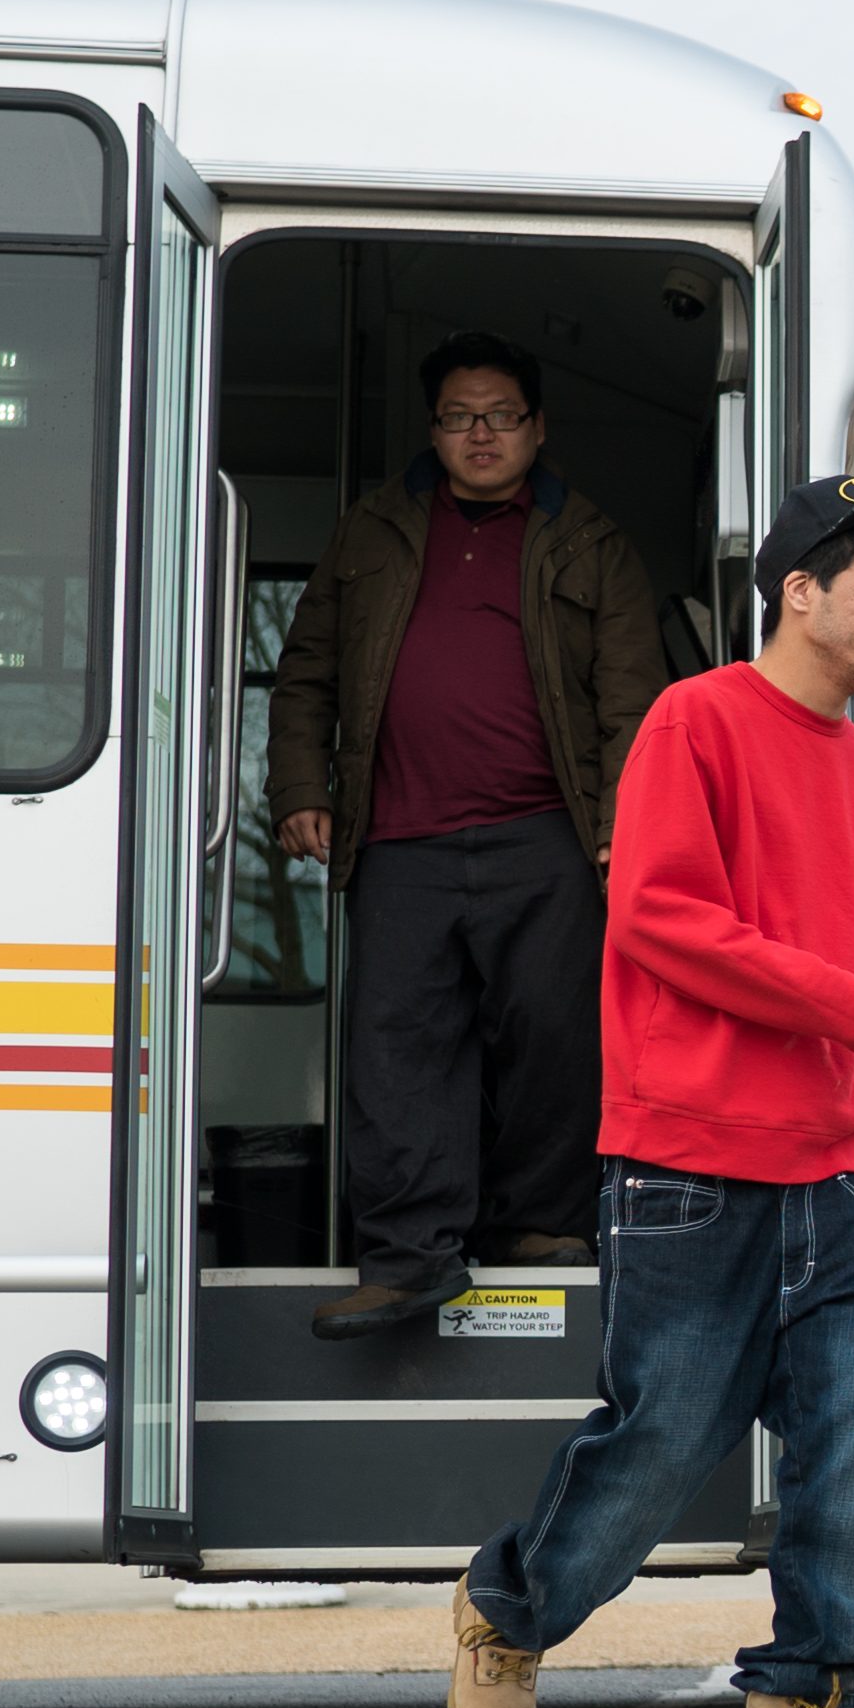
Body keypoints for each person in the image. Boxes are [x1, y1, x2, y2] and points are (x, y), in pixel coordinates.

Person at [443, 474, 854, 1708]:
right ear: (802, 590)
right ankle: (507, 1612)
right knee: (661, 1448)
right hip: (687, 1164)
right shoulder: (695, 721)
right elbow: (665, 919)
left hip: (825, 1178)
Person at [263, 329, 671, 1340]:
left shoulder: (593, 542)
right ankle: (407, 1258)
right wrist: (296, 787)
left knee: (554, 1040)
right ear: (434, 432)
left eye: (499, 415)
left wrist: (628, 824)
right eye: (457, 416)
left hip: (551, 838)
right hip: (398, 840)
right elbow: (304, 671)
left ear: (537, 428)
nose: (479, 433)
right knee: (396, 1051)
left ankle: (539, 1227)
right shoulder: (370, 533)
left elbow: (633, 703)